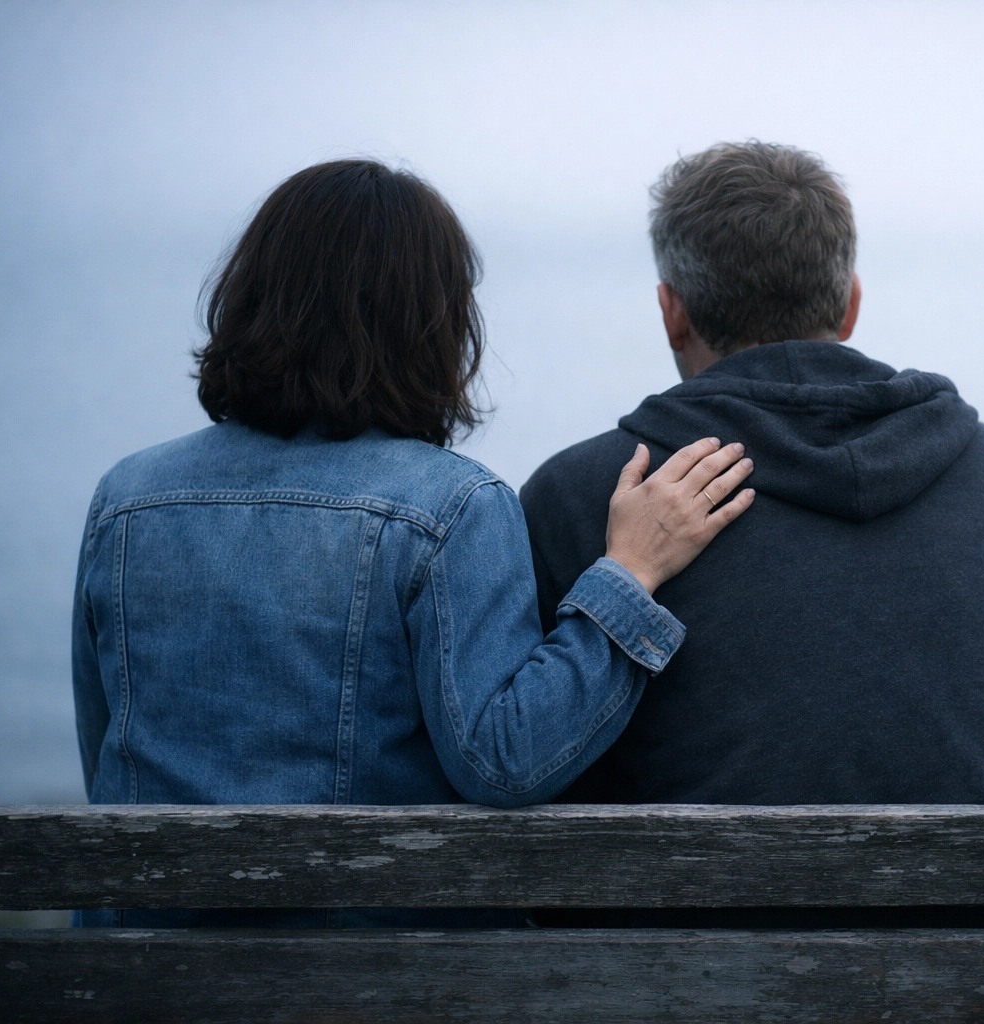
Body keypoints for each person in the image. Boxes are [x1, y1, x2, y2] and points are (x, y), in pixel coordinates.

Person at [71, 159, 754, 927]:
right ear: (433, 322)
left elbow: (106, 749)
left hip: (140, 971)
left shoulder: (126, 500)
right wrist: (630, 573)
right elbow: (504, 761)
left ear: (249, 297)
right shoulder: (450, 507)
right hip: (366, 979)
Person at [521, 144, 984, 905]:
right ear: (849, 304)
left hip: (690, 982)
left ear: (672, 313)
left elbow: (530, 777)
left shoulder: (589, 495)